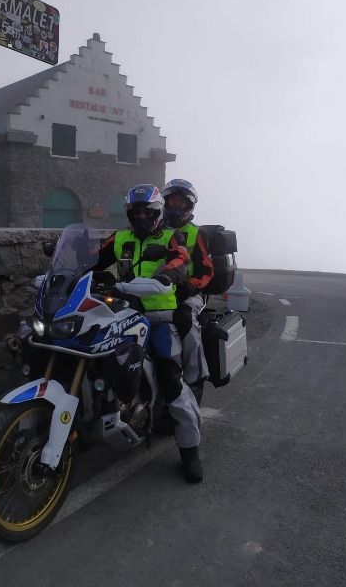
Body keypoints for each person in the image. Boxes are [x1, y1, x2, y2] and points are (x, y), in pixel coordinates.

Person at [92, 184, 205, 483]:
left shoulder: (171, 236)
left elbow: (181, 259)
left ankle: (190, 450)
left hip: (159, 318)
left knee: (171, 377)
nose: (141, 216)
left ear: (157, 212)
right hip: (123, 313)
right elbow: (94, 258)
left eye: (147, 212)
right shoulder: (121, 237)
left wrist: (170, 273)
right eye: (135, 212)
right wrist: (65, 261)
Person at [161, 179, 215, 404]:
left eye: (181, 202)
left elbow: (207, 270)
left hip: (189, 293)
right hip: (158, 290)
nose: (176, 206)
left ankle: (194, 378)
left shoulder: (196, 233)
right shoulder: (158, 230)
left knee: (185, 318)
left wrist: (191, 285)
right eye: (172, 200)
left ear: (189, 205)